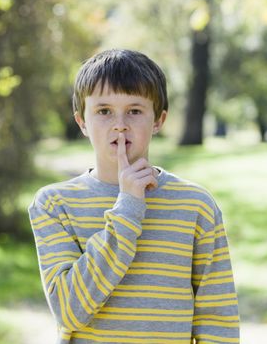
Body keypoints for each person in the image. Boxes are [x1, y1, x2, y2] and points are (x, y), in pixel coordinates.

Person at [28, 49, 239, 344]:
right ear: (82, 122)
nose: (120, 124)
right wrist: (127, 209)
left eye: (135, 111)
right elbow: (69, 310)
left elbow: (218, 320)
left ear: (158, 120)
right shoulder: (54, 204)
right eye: (103, 111)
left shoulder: (196, 205)